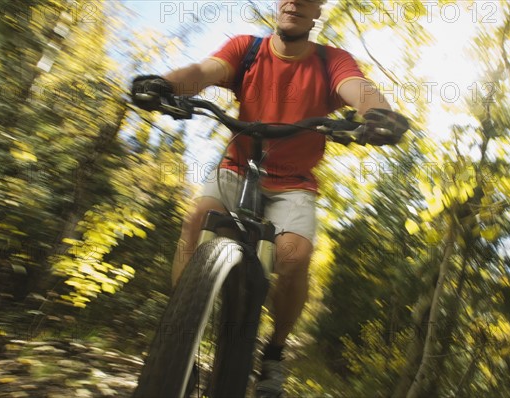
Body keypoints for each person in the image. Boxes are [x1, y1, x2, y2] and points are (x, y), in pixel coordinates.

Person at [132, 0, 408, 395]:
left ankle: (274, 353)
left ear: (317, 13)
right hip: (237, 167)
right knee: (196, 221)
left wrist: (378, 114)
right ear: (280, 6)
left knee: (294, 256)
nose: (295, 2)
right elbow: (202, 72)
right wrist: (166, 85)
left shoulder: (332, 62)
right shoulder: (246, 50)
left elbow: (359, 89)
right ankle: (179, 341)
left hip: (293, 183)